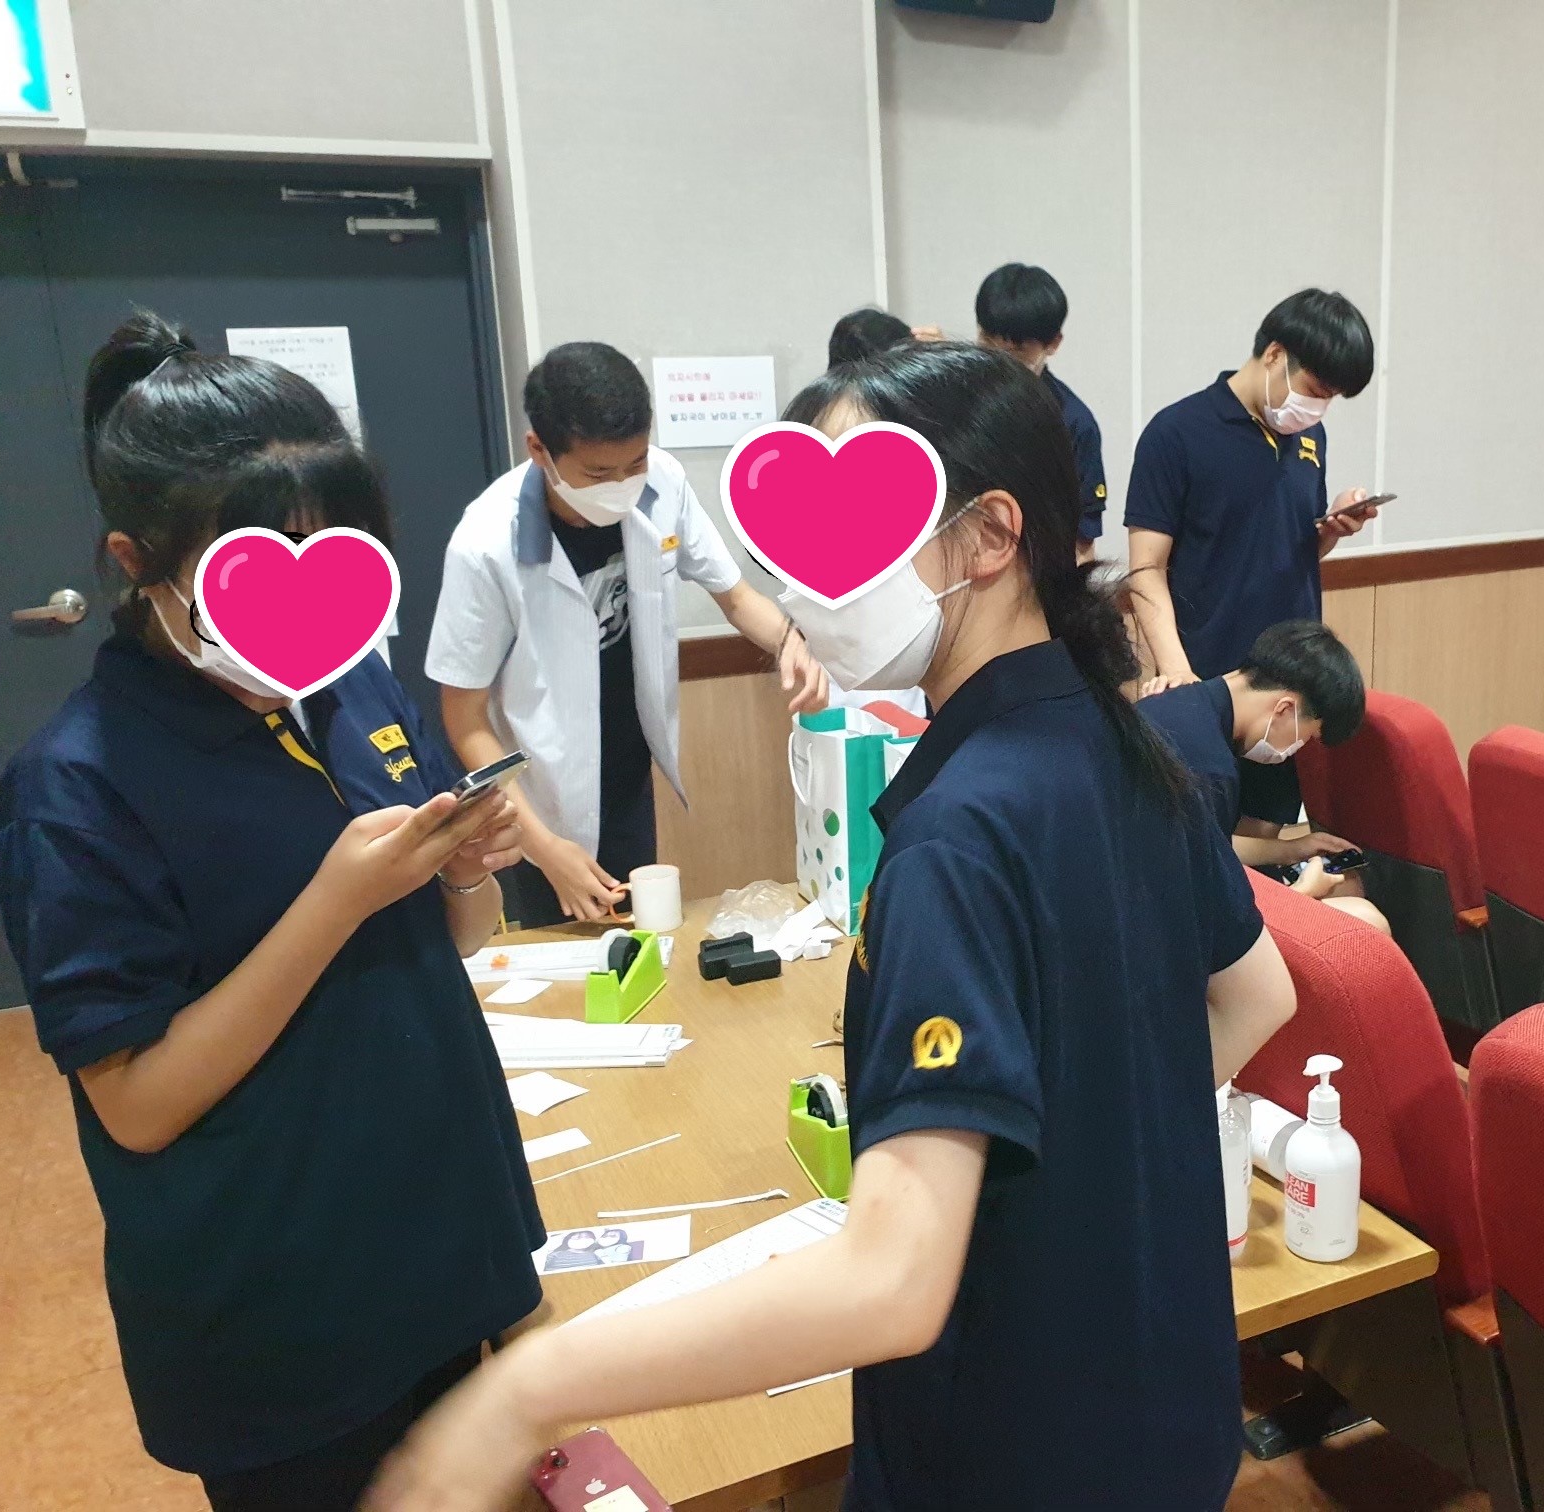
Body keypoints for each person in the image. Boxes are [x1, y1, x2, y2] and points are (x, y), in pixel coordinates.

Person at [365, 342, 1298, 1512]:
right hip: (1170, 1407)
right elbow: (1260, 995)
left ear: (989, 535)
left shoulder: (958, 837)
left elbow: (892, 1284)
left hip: (1013, 1450)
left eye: (854, 531)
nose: (809, 587)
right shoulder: (1125, 740)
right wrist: (1087, 1157)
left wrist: (523, 1391)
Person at [0, 313, 545, 1512]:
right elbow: (137, 1105)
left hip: (437, 1232)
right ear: (135, 560)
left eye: (333, 556)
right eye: (253, 568)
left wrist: (467, 869)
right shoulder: (74, 788)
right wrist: (334, 902)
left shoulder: (350, 685)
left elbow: (455, 942)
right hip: (280, 1307)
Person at [425, 342, 827, 928]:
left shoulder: (663, 480)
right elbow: (464, 717)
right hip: (540, 800)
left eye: (634, 463)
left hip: (628, 772)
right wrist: (545, 849)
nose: (621, 484)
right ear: (539, 449)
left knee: (639, 938)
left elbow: (736, 597)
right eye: (597, 473)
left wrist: (792, 641)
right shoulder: (485, 543)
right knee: (564, 950)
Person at [1126, 288, 1378, 838]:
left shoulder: (1309, 435)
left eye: (1331, 399)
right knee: (1198, 841)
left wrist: (1331, 531)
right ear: (1274, 355)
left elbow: (1289, 546)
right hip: (1210, 684)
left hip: (1286, 694)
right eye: (1316, 391)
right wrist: (1179, 674)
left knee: (1265, 839)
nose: (1319, 409)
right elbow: (1145, 570)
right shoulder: (1176, 433)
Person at [1139, 620, 1389, 933]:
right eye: (1306, 736)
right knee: (1368, 923)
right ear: (1284, 709)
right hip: (1163, 928)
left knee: (1345, 887)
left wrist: (1294, 848)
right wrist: (1300, 894)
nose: (1296, 748)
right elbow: (1213, 919)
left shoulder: (1176, 701)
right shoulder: (1210, 767)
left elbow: (1209, 844)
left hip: (1145, 894)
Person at [974, 263, 1107, 558]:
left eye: (1016, 353)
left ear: (1053, 343)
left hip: (1034, 572)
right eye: (988, 345)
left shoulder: (1073, 422)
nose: (1001, 363)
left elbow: (1081, 544)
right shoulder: (954, 400)